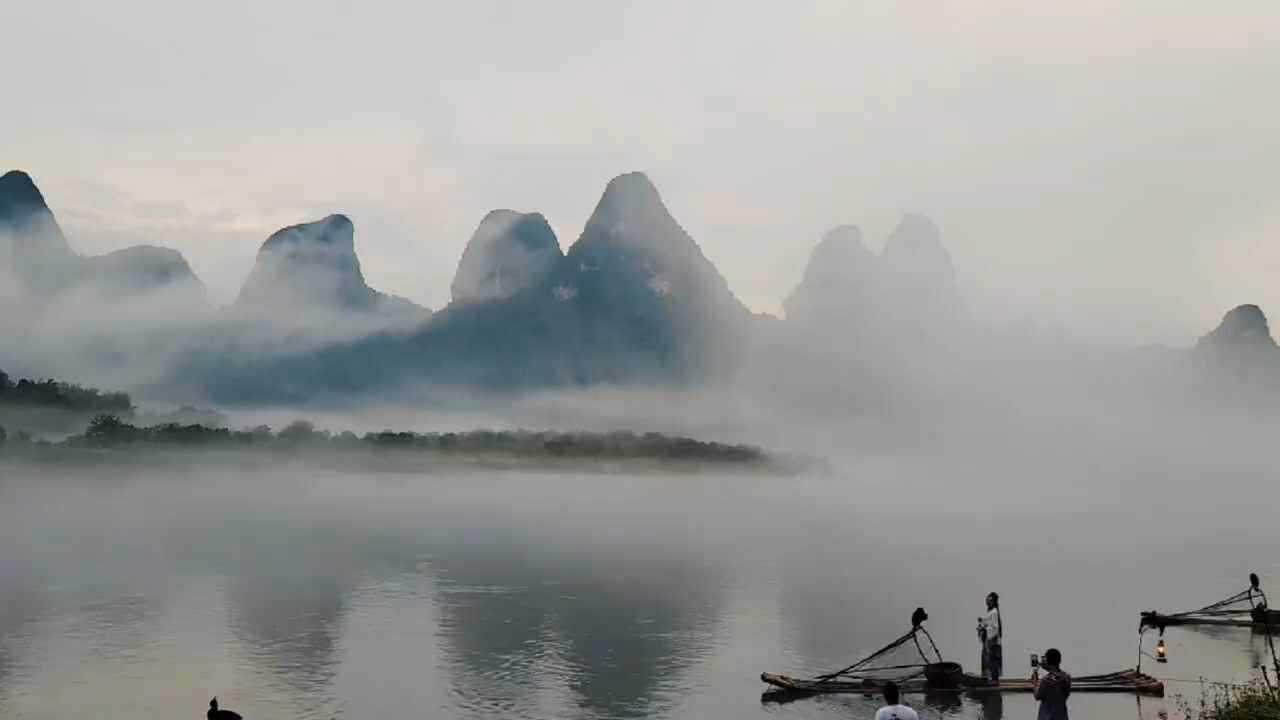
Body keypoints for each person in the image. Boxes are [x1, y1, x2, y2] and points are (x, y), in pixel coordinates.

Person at [1032, 648, 1071, 720]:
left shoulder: (1046, 680)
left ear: (1048, 661)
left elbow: (1037, 696)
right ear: (1059, 660)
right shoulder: (1067, 678)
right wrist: (1049, 669)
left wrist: (1034, 681)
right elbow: (1066, 695)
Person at [978, 591, 1002, 684]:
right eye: (987, 600)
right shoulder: (990, 611)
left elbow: (995, 627)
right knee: (989, 659)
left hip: (992, 638)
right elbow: (988, 621)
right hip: (989, 637)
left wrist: (986, 630)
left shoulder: (994, 612)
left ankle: (994, 679)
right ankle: (991, 677)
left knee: (993, 659)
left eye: (990, 600)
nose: (987, 602)